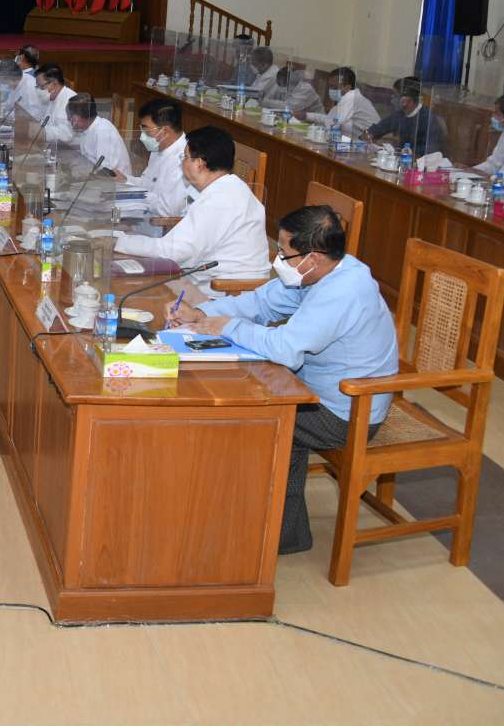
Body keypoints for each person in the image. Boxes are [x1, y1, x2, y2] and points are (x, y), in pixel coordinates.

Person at [167, 205, 398, 555]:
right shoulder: (318, 273)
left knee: (254, 419)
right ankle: (278, 529)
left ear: (312, 257)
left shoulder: (345, 290)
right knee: (251, 403)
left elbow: (286, 349)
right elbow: (262, 303)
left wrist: (228, 327)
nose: (278, 261)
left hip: (348, 411)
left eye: (284, 253)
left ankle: (269, 530)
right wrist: (201, 314)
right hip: (314, 390)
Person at [114, 125, 270, 295]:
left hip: (224, 292)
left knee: (130, 289)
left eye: (185, 157)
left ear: (200, 164)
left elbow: (174, 252)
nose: (182, 163)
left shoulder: (219, 199)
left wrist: (118, 241)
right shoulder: (228, 188)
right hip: (209, 281)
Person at [122, 97, 188, 217]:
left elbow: (169, 210)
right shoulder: (159, 147)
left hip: (162, 224)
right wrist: (124, 179)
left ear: (165, 131)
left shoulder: (184, 159)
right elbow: (148, 183)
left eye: (146, 130)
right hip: (146, 215)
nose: (142, 136)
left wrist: (138, 194)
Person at [367, 77, 446, 157]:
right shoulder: (399, 114)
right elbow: (380, 128)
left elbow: (432, 148)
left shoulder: (428, 119)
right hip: (401, 158)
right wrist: (370, 134)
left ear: (406, 100)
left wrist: (408, 150)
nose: (392, 98)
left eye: (395, 95)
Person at [59, 93, 133, 177]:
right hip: (96, 174)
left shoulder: (103, 132)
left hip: (115, 180)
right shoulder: (88, 127)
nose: (71, 123)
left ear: (85, 117)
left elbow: (105, 171)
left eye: (73, 119)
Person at [301, 66, 379, 137]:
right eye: (330, 86)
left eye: (334, 87)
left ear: (347, 87)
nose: (331, 90)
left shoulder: (351, 99)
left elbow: (334, 124)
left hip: (370, 141)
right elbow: (330, 119)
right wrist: (306, 115)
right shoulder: (347, 99)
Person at [6, 46, 47, 121]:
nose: (15, 57)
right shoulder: (35, 74)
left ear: (21, 57)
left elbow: (32, 110)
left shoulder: (31, 79)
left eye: (17, 55)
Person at [38, 64, 77, 140]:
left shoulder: (70, 100)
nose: (39, 90)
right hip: (50, 142)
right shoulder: (51, 97)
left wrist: (39, 131)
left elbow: (67, 135)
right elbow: (46, 122)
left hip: (68, 145)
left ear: (54, 84)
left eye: (42, 86)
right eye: (37, 86)